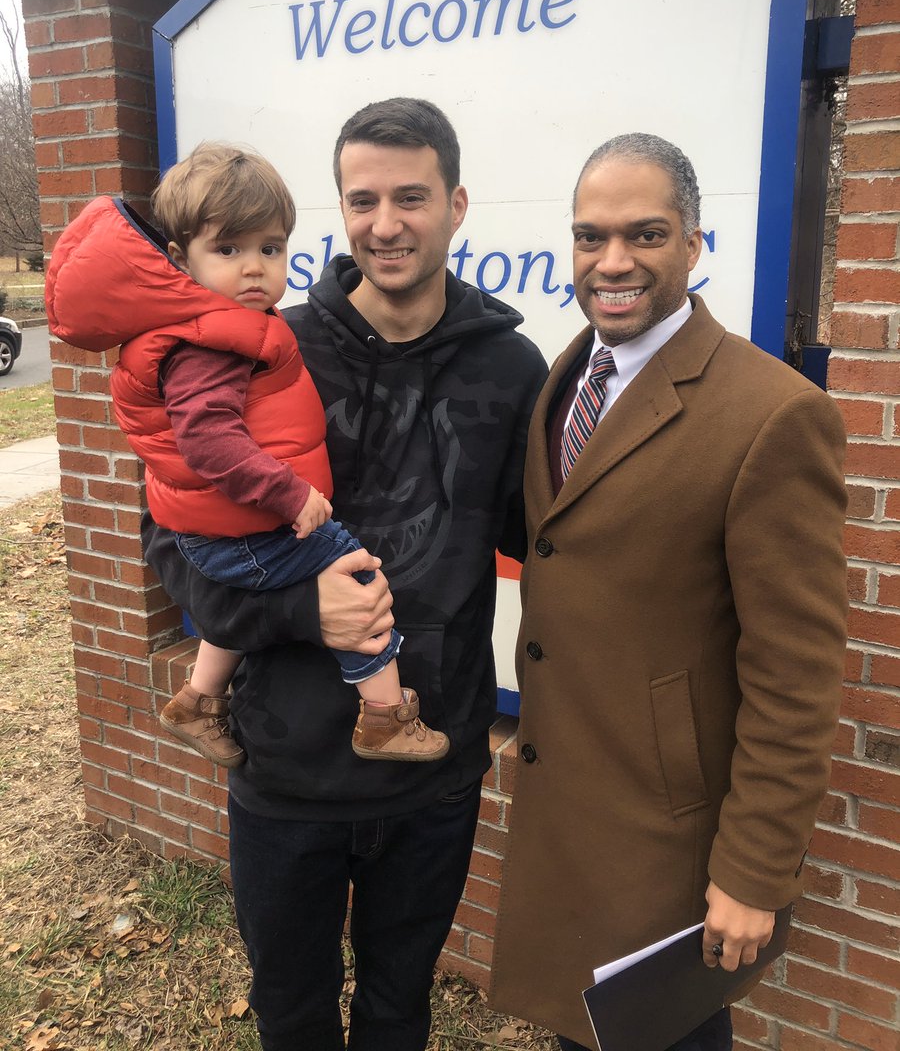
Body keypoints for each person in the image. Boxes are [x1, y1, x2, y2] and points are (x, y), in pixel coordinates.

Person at [136, 99, 547, 1051]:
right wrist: (294, 606)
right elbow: (168, 546)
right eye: (363, 200)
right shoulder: (262, 350)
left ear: (457, 204)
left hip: (429, 774)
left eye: (412, 197)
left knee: (401, 1014)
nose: (386, 223)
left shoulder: (512, 366)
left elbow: (555, 546)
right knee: (294, 1017)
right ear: (340, 210)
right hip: (282, 774)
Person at [488, 133, 848, 1051]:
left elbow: (796, 675)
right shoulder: (565, 376)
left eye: (645, 234)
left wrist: (756, 871)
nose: (613, 262)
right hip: (571, 806)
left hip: (669, 846)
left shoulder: (772, 416)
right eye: (589, 236)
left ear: (693, 244)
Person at [46, 142, 448, 769]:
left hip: (220, 530)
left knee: (265, 582)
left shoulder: (214, 326)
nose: (255, 268)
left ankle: (199, 700)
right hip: (246, 524)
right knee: (359, 580)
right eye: (228, 250)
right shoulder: (209, 342)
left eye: (270, 248)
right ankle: (383, 718)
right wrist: (289, 494)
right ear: (181, 259)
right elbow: (209, 444)